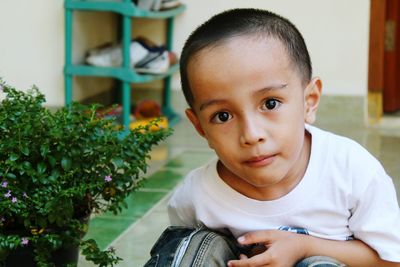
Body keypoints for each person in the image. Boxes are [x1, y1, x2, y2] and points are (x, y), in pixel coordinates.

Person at [161, 8, 400, 267]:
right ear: (200, 127)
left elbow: (390, 260)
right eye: (223, 116)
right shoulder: (196, 196)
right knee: (191, 249)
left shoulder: (352, 171)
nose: (252, 135)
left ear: (309, 101)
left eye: (271, 103)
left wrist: (304, 247)